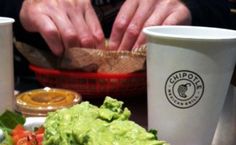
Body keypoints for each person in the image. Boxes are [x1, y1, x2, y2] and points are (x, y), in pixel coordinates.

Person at [0, 0, 234, 56]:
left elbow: (225, 14)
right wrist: (20, 6)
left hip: (158, 92)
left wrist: (190, 5)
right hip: (35, 91)